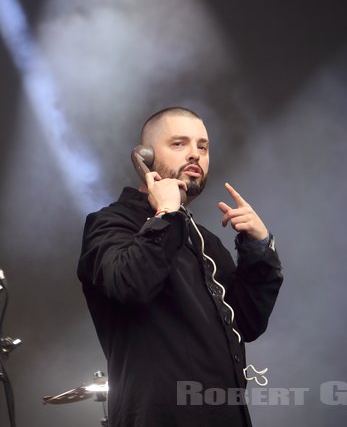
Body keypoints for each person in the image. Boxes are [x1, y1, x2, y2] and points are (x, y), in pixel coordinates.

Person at [77, 107, 283, 427]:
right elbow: (130, 284)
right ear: (144, 157)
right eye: (178, 144)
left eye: (203, 146)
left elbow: (248, 322)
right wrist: (166, 213)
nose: (195, 154)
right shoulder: (110, 223)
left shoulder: (206, 241)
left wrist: (258, 247)